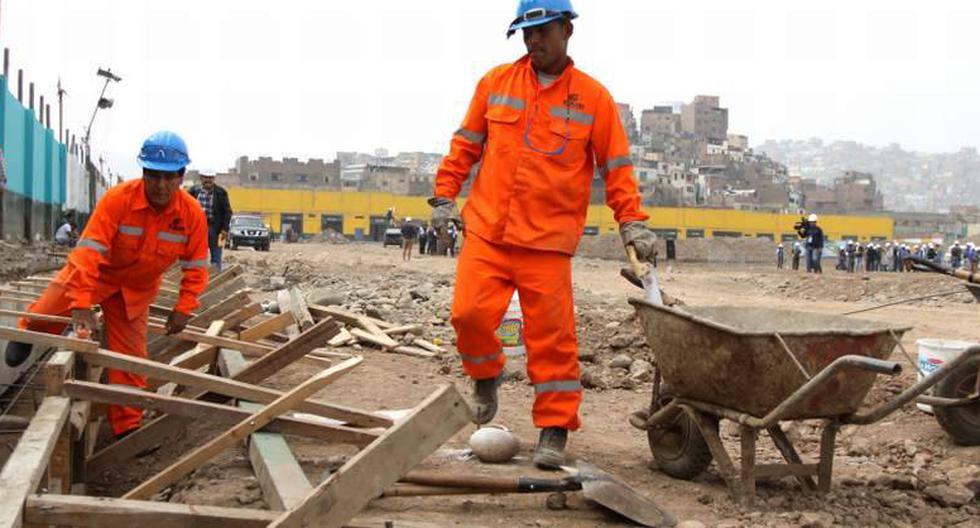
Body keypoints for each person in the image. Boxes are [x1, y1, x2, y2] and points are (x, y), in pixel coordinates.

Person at [427, 0, 655, 470]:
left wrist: (631, 220)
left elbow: (616, 168)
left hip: (547, 244)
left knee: (553, 342)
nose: (533, 42)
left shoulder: (593, 99)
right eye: (526, 33)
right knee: (468, 315)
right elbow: (465, 144)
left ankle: (554, 427)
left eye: (542, 31)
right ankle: (486, 375)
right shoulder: (495, 83)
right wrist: (444, 196)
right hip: (488, 231)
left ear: (566, 30)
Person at [5, 131, 208, 438]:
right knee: (50, 307)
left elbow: (195, 266)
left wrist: (184, 307)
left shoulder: (191, 215)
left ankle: (127, 428)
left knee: (129, 360)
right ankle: (28, 330)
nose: (161, 185)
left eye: (169, 176)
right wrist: (82, 304)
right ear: (143, 172)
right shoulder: (118, 200)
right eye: (154, 175)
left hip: (136, 289)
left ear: (181, 176)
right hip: (99, 274)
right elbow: (88, 253)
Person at [188, 171, 232, 271]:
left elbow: (228, 212)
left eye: (210, 177)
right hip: (197, 228)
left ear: (214, 178)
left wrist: (225, 229)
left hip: (217, 229)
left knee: (216, 256)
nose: (208, 180)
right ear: (201, 178)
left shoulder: (221, 192)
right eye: (205, 177)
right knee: (196, 255)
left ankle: (215, 279)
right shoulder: (193, 191)